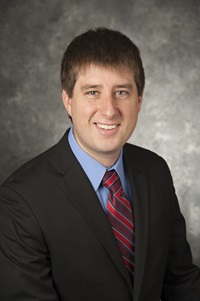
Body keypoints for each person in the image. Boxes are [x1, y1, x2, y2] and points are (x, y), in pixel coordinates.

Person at [0, 28, 199, 301]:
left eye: (121, 91)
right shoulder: (20, 200)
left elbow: (181, 282)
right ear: (68, 101)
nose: (109, 109)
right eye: (93, 92)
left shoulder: (155, 170)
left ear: (139, 100)